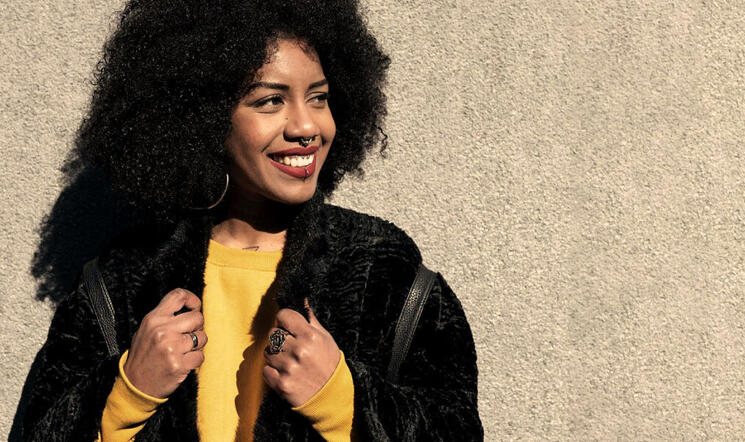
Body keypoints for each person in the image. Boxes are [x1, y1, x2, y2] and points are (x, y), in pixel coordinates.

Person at [18, 0, 483, 440]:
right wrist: (129, 392)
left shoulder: (387, 275)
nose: (306, 127)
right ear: (203, 118)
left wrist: (342, 398)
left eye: (318, 97)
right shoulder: (120, 284)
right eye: (270, 101)